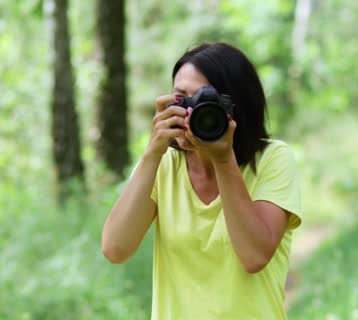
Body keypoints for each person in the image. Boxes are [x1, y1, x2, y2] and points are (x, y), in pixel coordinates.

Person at [101, 42, 302, 319]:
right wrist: (152, 152)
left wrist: (222, 159)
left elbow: (254, 256)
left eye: (205, 102)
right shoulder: (162, 164)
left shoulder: (271, 159)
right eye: (181, 98)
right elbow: (115, 249)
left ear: (235, 108)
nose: (191, 113)